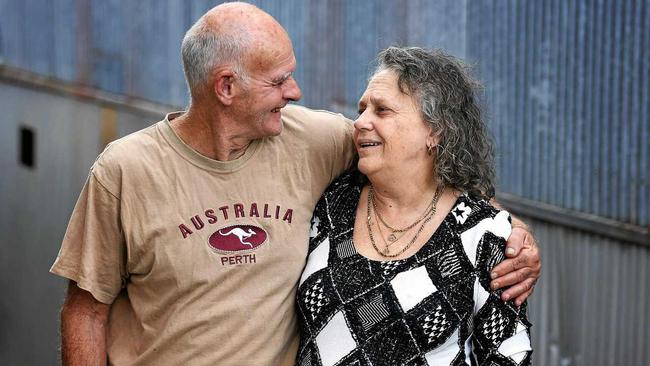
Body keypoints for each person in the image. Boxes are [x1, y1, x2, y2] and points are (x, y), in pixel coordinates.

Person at [50, 3, 539, 365]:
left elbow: (421, 172)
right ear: (226, 87)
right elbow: (85, 312)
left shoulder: (313, 141)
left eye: (292, 76)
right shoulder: (125, 171)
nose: (295, 92)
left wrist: (510, 231)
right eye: (279, 80)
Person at [296, 47, 532, 365]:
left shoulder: (482, 233)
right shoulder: (332, 202)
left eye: (382, 111)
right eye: (362, 109)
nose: (360, 122)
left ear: (435, 131)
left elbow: (506, 355)